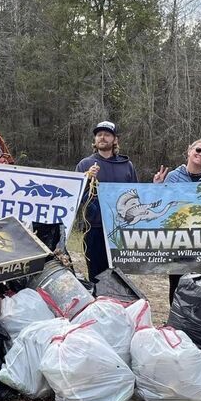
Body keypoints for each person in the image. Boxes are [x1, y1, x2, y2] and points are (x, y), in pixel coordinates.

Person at [153, 138, 201, 304]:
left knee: (200, 282)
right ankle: (175, 320)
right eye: (197, 150)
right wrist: (157, 187)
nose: (200, 154)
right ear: (189, 151)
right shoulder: (173, 176)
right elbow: (160, 205)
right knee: (176, 282)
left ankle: (195, 321)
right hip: (177, 239)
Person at [75, 120, 138, 284]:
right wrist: (87, 178)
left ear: (115, 140)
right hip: (94, 229)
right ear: (95, 140)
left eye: (107, 134)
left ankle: (118, 306)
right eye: (99, 134)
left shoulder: (127, 166)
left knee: (119, 275)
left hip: (121, 229)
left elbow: (136, 196)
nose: (102, 137)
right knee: (97, 275)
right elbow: (76, 198)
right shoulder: (85, 164)